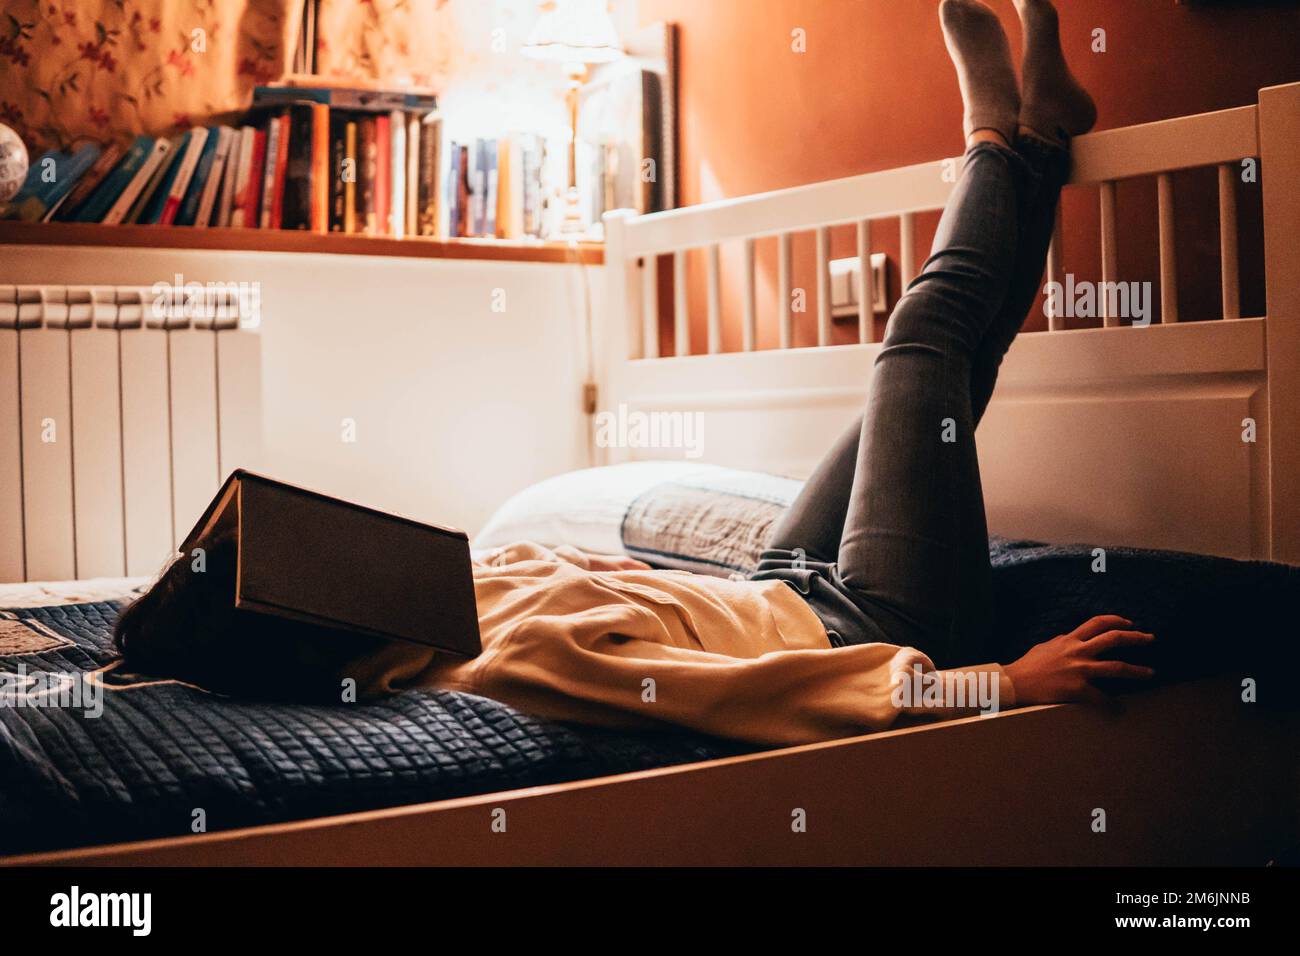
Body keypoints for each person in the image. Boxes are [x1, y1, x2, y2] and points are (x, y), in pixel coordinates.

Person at [115, 0, 1158, 747]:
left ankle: (1042, 134)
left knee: (951, 376)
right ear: (325, 627)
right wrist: (1000, 687)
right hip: (875, 628)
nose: (350, 530)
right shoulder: (509, 661)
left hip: (773, 587)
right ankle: (995, 138)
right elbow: (751, 702)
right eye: (322, 556)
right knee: (920, 348)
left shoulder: (462, 581)